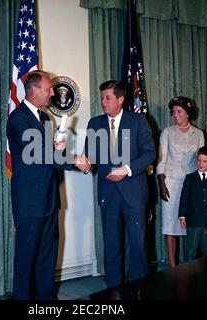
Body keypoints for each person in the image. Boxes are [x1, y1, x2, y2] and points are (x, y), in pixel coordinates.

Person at [75, 80, 156, 287]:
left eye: (108, 98)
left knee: (138, 245)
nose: (103, 102)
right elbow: (90, 156)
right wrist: (84, 164)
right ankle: (113, 290)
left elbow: (150, 153)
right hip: (108, 192)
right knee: (111, 244)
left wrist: (127, 170)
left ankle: (138, 289)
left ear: (120, 99)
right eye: (102, 97)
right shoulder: (95, 123)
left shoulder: (138, 121)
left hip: (134, 193)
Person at [6, 70, 71, 300]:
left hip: (49, 198)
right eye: (48, 89)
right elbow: (38, 154)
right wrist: (74, 161)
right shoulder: (18, 119)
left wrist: (58, 148)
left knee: (47, 257)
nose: (52, 93)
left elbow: (48, 154)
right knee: (26, 259)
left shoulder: (45, 118)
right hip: (29, 200)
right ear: (33, 90)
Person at [156, 96, 204, 267]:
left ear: (188, 114)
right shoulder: (167, 133)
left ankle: (191, 264)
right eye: (173, 111)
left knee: (191, 225)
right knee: (170, 227)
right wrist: (162, 184)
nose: (175, 114)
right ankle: (173, 266)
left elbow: (202, 161)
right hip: (171, 184)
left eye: (179, 111)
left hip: (191, 186)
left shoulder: (198, 134)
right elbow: (161, 160)